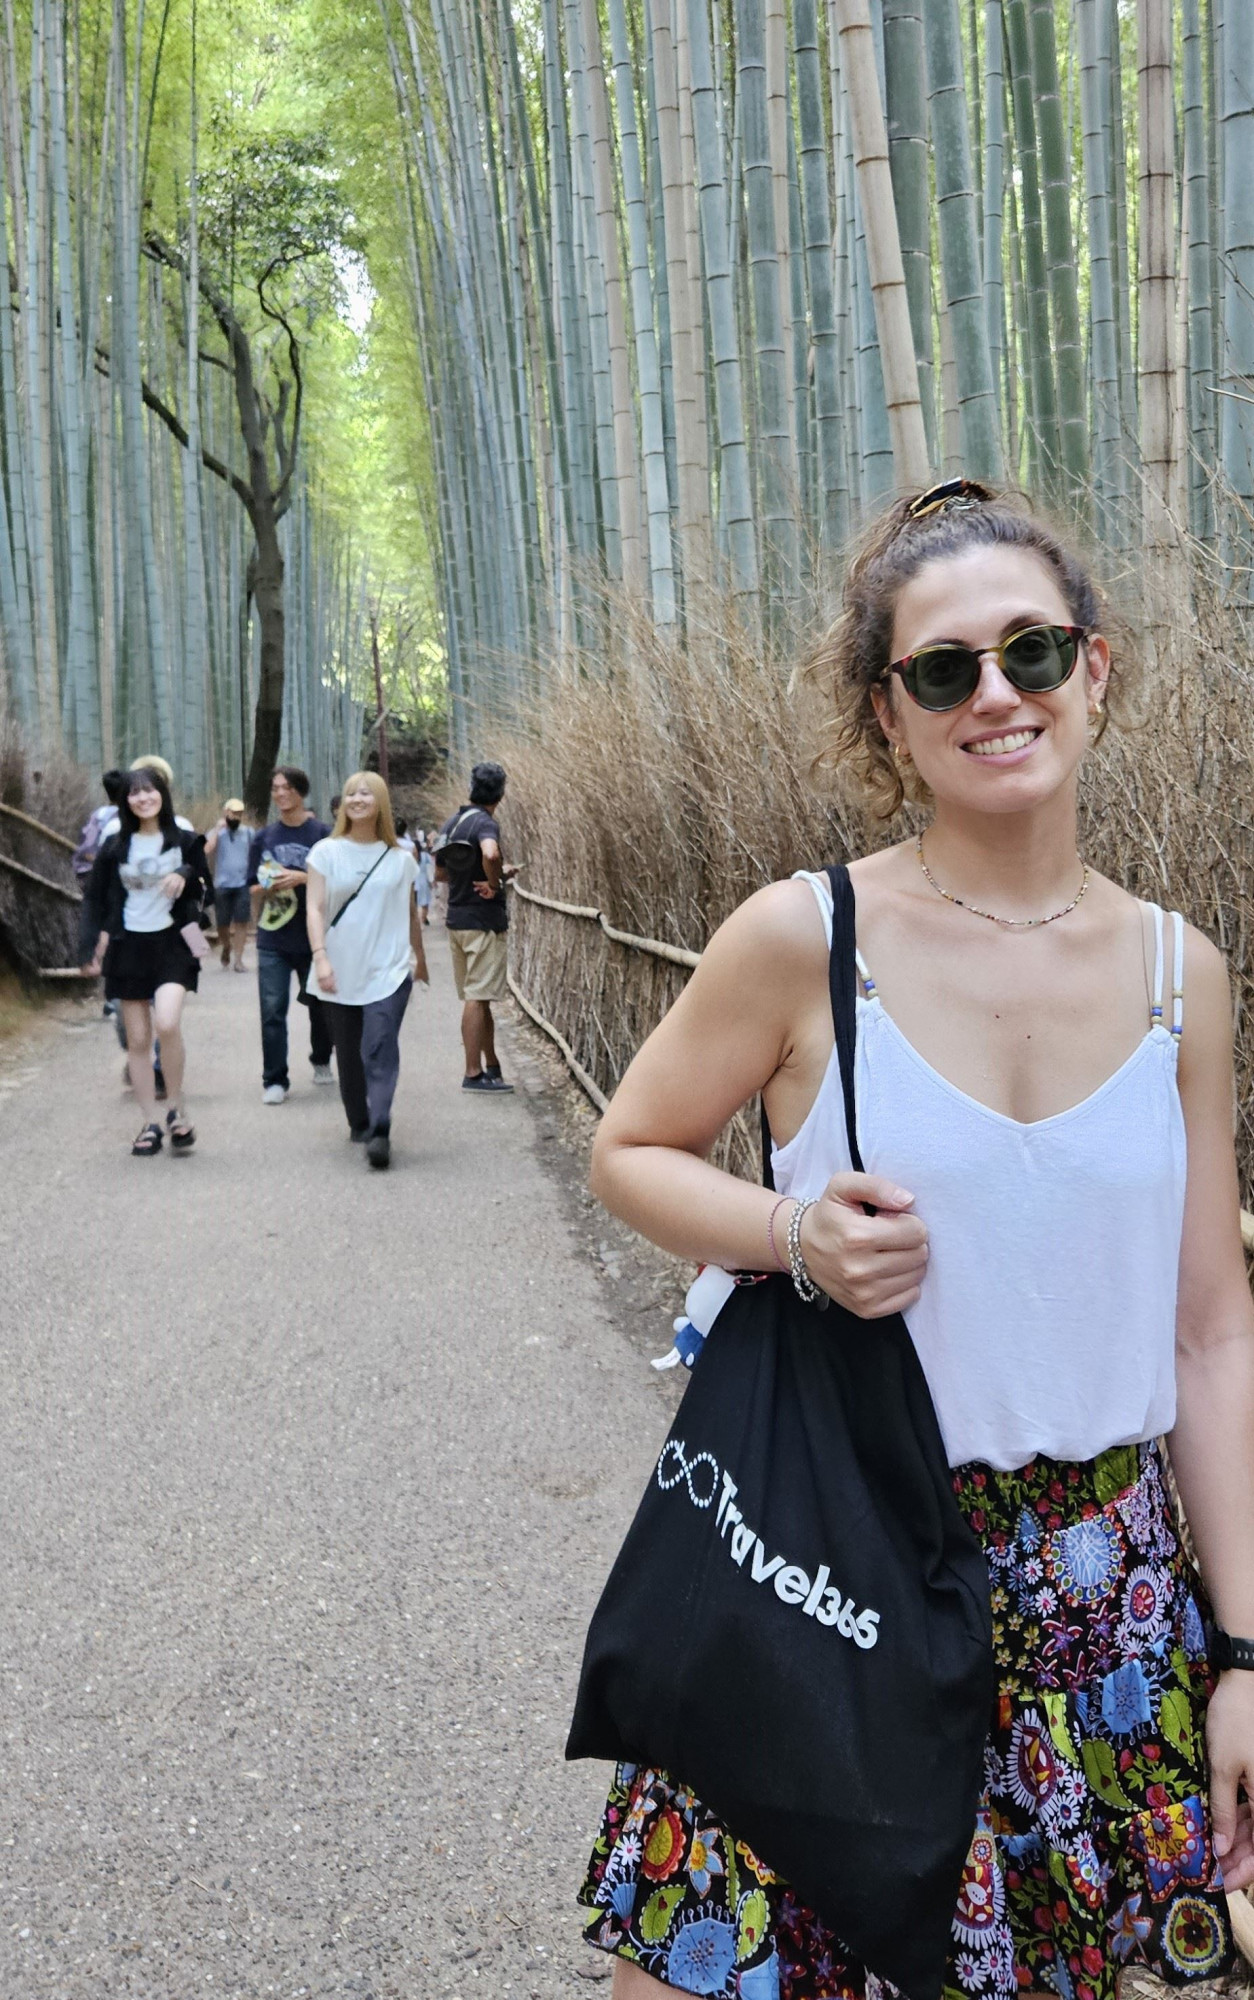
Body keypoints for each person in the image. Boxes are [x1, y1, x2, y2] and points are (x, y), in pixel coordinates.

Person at [577, 483, 1254, 1999]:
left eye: (1030, 650)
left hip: (1105, 1605)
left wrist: (1243, 1659)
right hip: (833, 1559)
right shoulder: (796, 939)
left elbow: (1210, 1331)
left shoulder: (1179, 975)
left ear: (1097, 666)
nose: (993, 694)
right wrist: (788, 1232)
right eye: (942, 669)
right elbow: (628, 1147)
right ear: (886, 716)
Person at [81, 766, 210, 1156]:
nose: (142, 798)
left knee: (167, 1024)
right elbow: (97, 899)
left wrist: (185, 874)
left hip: (173, 944)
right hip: (128, 947)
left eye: (149, 791)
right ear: (126, 801)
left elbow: (207, 883)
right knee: (137, 1040)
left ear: (162, 795)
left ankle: (177, 1109)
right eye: (134, 794)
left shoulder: (185, 840)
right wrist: (91, 947)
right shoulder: (115, 846)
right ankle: (150, 1121)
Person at [305, 773, 429, 1170]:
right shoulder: (325, 852)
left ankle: (380, 1126)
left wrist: (419, 959)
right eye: (350, 793)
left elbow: (409, 913)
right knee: (350, 1053)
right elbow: (315, 908)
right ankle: (359, 1121)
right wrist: (320, 956)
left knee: (378, 1045)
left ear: (380, 803)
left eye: (366, 793)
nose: (357, 799)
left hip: (388, 970)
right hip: (338, 968)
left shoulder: (400, 860)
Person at [247, 766, 335, 1104]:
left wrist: (300, 879)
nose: (280, 794)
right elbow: (250, 885)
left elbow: (335, 883)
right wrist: (267, 885)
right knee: (272, 1009)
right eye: (275, 788)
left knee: (320, 1005)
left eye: (286, 788)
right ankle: (275, 1079)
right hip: (273, 935)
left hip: (313, 935)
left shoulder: (322, 835)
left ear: (301, 791)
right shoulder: (264, 838)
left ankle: (321, 1057)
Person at [436, 761, 517, 1093]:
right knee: (477, 997)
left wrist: (483, 875)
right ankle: (472, 1073)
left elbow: (440, 873)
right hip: (483, 923)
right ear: (500, 793)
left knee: (477, 998)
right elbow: (490, 851)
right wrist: (494, 883)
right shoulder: (485, 823)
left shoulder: (452, 823)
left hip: (457, 921)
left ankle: (492, 1065)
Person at [205, 798, 251, 970]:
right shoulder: (218, 832)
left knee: (241, 922)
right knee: (222, 924)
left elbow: (255, 853)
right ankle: (226, 945)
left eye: (239, 814)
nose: (236, 817)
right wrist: (217, 829)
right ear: (226, 813)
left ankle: (238, 959)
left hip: (242, 883)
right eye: (233, 813)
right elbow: (207, 849)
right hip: (222, 884)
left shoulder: (247, 832)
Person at [73, 769, 126, 882]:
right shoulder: (118, 816)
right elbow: (89, 852)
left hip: (91, 872)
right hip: (102, 874)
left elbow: (87, 848)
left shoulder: (99, 814)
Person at [412, 828, 434, 927]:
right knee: (425, 903)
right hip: (423, 881)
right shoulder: (426, 856)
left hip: (414, 881)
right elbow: (430, 869)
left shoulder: (410, 857)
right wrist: (432, 882)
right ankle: (423, 919)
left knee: (415, 904)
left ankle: (416, 921)